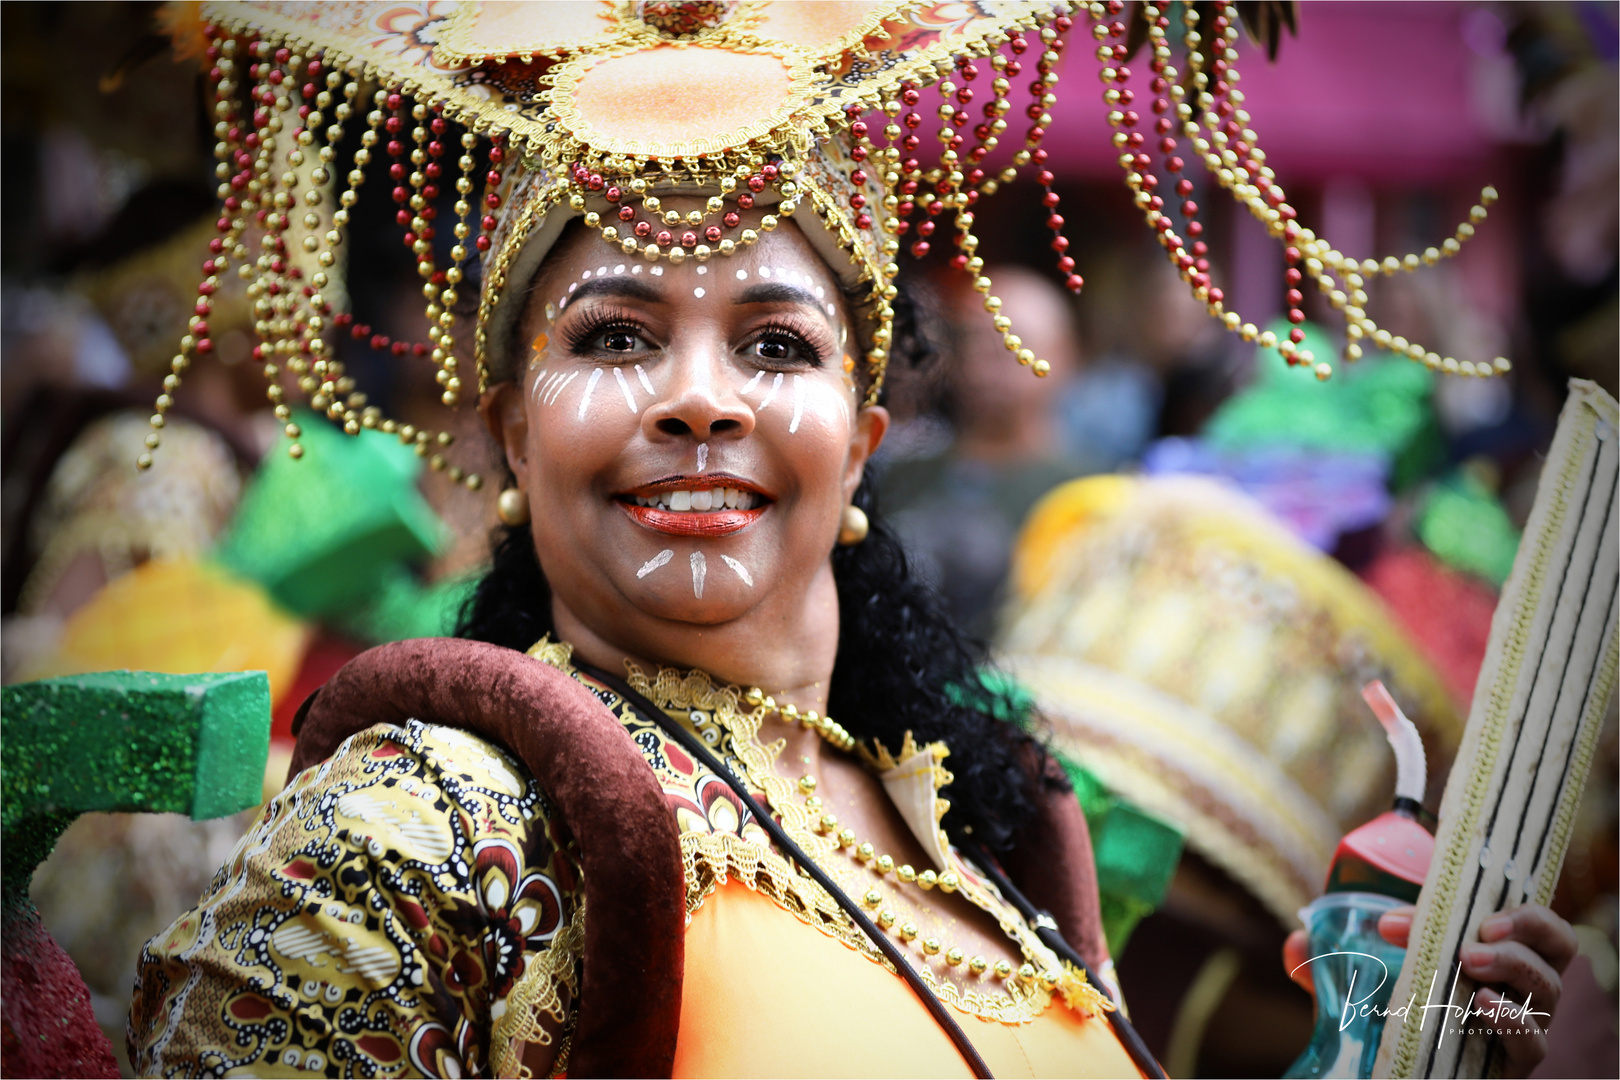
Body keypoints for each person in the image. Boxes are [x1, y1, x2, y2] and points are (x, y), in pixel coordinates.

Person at [125, 3, 1574, 1077]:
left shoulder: (991, 832)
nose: (699, 399)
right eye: (619, 335)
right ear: (513, 430)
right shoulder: (427, 832)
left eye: (772, 343)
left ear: (862, 433)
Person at [881, 265, 1095, 639]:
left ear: (1065, 355)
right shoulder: (900, 475)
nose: (980, 364)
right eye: (966, 342)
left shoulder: (1086, 495)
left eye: (1006, 344)